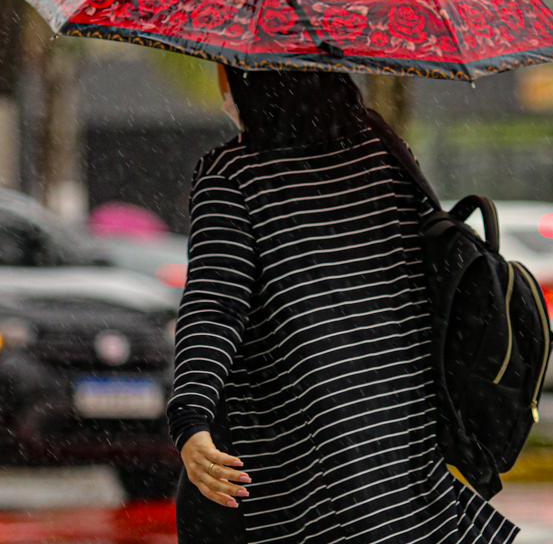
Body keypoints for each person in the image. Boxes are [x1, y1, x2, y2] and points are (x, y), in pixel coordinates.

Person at [168, 65, 518, 544]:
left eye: (223, 69)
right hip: (402, 441)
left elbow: (216, 308)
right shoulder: (383, 150)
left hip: (306, 456)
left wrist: (191, 417)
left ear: (246, 78)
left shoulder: (233, 175)